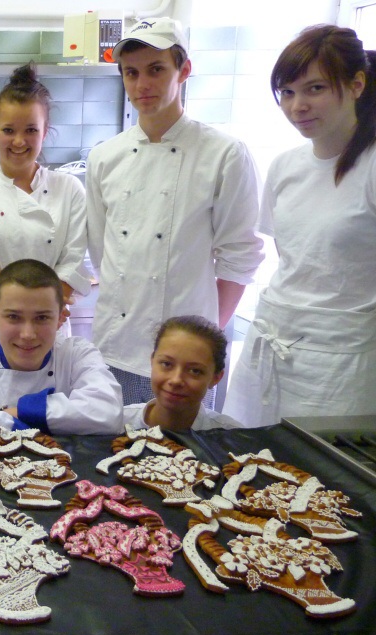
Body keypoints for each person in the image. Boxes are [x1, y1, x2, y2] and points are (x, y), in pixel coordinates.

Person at [86, 17, 264, 405]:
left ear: (184, 71)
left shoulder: (224, 154)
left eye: (156, 70)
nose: (142, 84)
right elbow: (102, 251)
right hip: (115, 347)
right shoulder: (104, 157)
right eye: (131, 73)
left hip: (185, 362)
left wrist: (203, 342)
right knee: (112, 439)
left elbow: (239, 259)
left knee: (184, 444)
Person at [225, 25, 376, 426]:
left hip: (340, 364)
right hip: (269, 343)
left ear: (357, 84)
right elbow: (296, 261)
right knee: (247, 454)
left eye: (315, 89)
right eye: (288, 92)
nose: (298, 106)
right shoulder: (285, 167)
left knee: (320, 463)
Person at [0, 63, 90, 348]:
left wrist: (33, 309)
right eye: (8, 130)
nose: (19, 141)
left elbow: (73, 264)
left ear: (45, 132)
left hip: (45, 337)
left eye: (31, 130)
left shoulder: (69, 188)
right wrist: (38, 304)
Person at [0, 259, 122, 439]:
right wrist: (51, 421)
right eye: (14, 317)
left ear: (60, 318)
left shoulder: (78, 354)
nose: (28, 334)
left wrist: (19, 412)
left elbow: (108, 413)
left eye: (42, 318)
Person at [124, 315, 242, 431]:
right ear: (152, 361)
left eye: (195, 371)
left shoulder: (234, 436)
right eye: (166, 364)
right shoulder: (119, 422)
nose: (176, 380)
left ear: (215, 378)